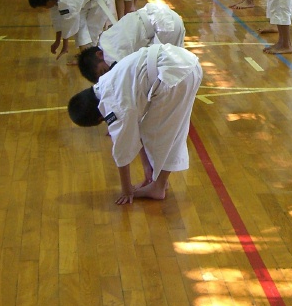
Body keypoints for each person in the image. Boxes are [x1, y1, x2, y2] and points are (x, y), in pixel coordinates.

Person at [68, 44, 203, 204]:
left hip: (172, 75)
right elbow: (137, 129)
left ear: (98, 119)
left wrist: (127, 190)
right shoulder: (106, 84)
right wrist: (147, 169)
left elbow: (122, 149)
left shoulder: (113, 102)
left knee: (161, 133)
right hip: (186, 63)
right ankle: (157, 180)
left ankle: (158, 186)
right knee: (163, 130)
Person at [77, 3, 187, 81]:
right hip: (162, 16)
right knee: (167, 70)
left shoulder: (110, 53)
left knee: (165, 75)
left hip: (164, 26)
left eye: (104, 70)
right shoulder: (106, 38)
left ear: (100, 54)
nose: (109, 72)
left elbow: (124, 77)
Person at [28, 0, 117, 59]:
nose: (45, 8)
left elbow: (69, 25)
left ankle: (90, 59)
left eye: (43, 6)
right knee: (81, 27)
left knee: (92, 31)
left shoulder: (67, 2)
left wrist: (65, 46)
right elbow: (57, 20)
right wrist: (57, 41)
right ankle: (85, 56)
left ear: (48, 2)